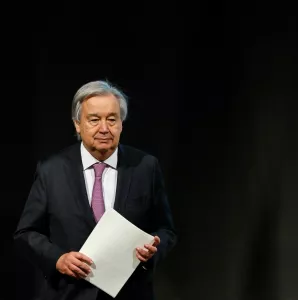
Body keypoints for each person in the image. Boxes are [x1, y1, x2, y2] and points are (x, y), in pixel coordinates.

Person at [14, 80, 177, 300]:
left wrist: (153, 250)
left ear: (121, 124)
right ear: (77, 125)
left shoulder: (145, 167)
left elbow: (166, 230)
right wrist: (58, 259)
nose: (104, 128)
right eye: (94, 120)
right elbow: (26, 233)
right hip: (67, 293)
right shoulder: (51, 170)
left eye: (112, 119)